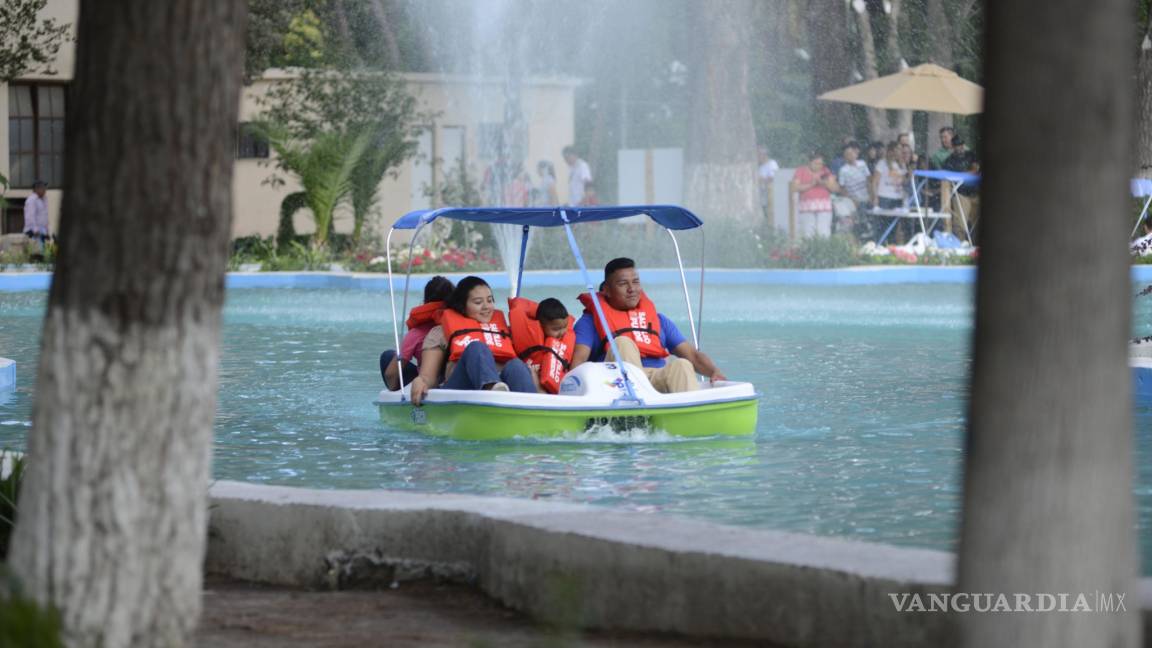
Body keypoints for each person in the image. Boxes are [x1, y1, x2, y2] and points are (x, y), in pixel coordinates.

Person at [571, 258, 726, 394]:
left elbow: (693, 356)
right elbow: (577, 366)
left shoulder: (659, 321)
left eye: (636, 282)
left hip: (654, 379)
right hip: (614, 384)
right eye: (623, 284)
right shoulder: (589, 323)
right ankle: (636, 407)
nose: (631, 289)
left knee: (683, 364)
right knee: (622, 343)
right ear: (606, 290)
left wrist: (714, 372)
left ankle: (691, 417)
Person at [409, 276, 535, 406]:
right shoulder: (439, 333)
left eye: (490, 300)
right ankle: (491, 389)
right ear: (462, 306)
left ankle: (532, 410)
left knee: (516, 365)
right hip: (460, 389)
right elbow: (428, 376)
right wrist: (420, 381)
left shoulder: (504, 331)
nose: (486, 307)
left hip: (505, 387)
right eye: (478, 302)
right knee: (476, 348)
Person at [379, 276, 454, 391]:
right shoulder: (459, 326)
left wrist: (395, 392)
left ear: (425, 302)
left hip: (424, 385)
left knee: (388, 356)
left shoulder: (416, 334)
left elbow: (391, 374)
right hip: (454, 380)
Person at [508, 296, 575, 394]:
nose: (562, 332)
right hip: (534, 383)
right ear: (540, 325)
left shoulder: (564, 340)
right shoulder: (525, 336)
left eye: (564, 327)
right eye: (556, 329)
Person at [789, 151, 840, 238]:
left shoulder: (825, 171)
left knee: (824, 232)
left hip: (824, 207)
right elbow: (794, 188)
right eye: (816, 163)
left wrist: (822, 182)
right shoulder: (801, 171)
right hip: (806, 208)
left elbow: (835, 188)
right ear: (810, 162)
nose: (819, 166)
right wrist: (811, 184)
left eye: (820, 164)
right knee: (808, 233)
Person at [942, 136, 980, 239]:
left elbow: (976, 168)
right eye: (957, 146)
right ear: (952, 147)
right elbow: (950, 179)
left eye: (961, 145)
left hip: (975, 193)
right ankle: (959, 243)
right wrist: (968, 173)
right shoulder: (949, 161)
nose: (960, 148)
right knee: (960, 223)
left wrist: (972, 171)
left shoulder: (971, 155)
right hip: (960, 193)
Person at [835, 141, 871, 237]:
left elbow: (868, 180)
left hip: (866, 197)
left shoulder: (862, 164)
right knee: (858, 221)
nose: (850, 156)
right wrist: (852, 199)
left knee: (869, 219)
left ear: (856, 153)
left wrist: (872, 195)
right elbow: (842, 188)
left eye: (852, 153)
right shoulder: (843, 170)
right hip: (854, 200)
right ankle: (859, 237)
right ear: (845, 157)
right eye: (847, 154)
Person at [22, 180, 50, 256]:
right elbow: (30, 216)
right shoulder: (32, 200)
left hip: (42, 231)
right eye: (43, 188)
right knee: (35, 254)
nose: (45, 190)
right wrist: (35, 230)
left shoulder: (43, 199)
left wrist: (47, 231)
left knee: (42, 254)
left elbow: (44, 216)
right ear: (37, 189)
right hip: (34, 231)